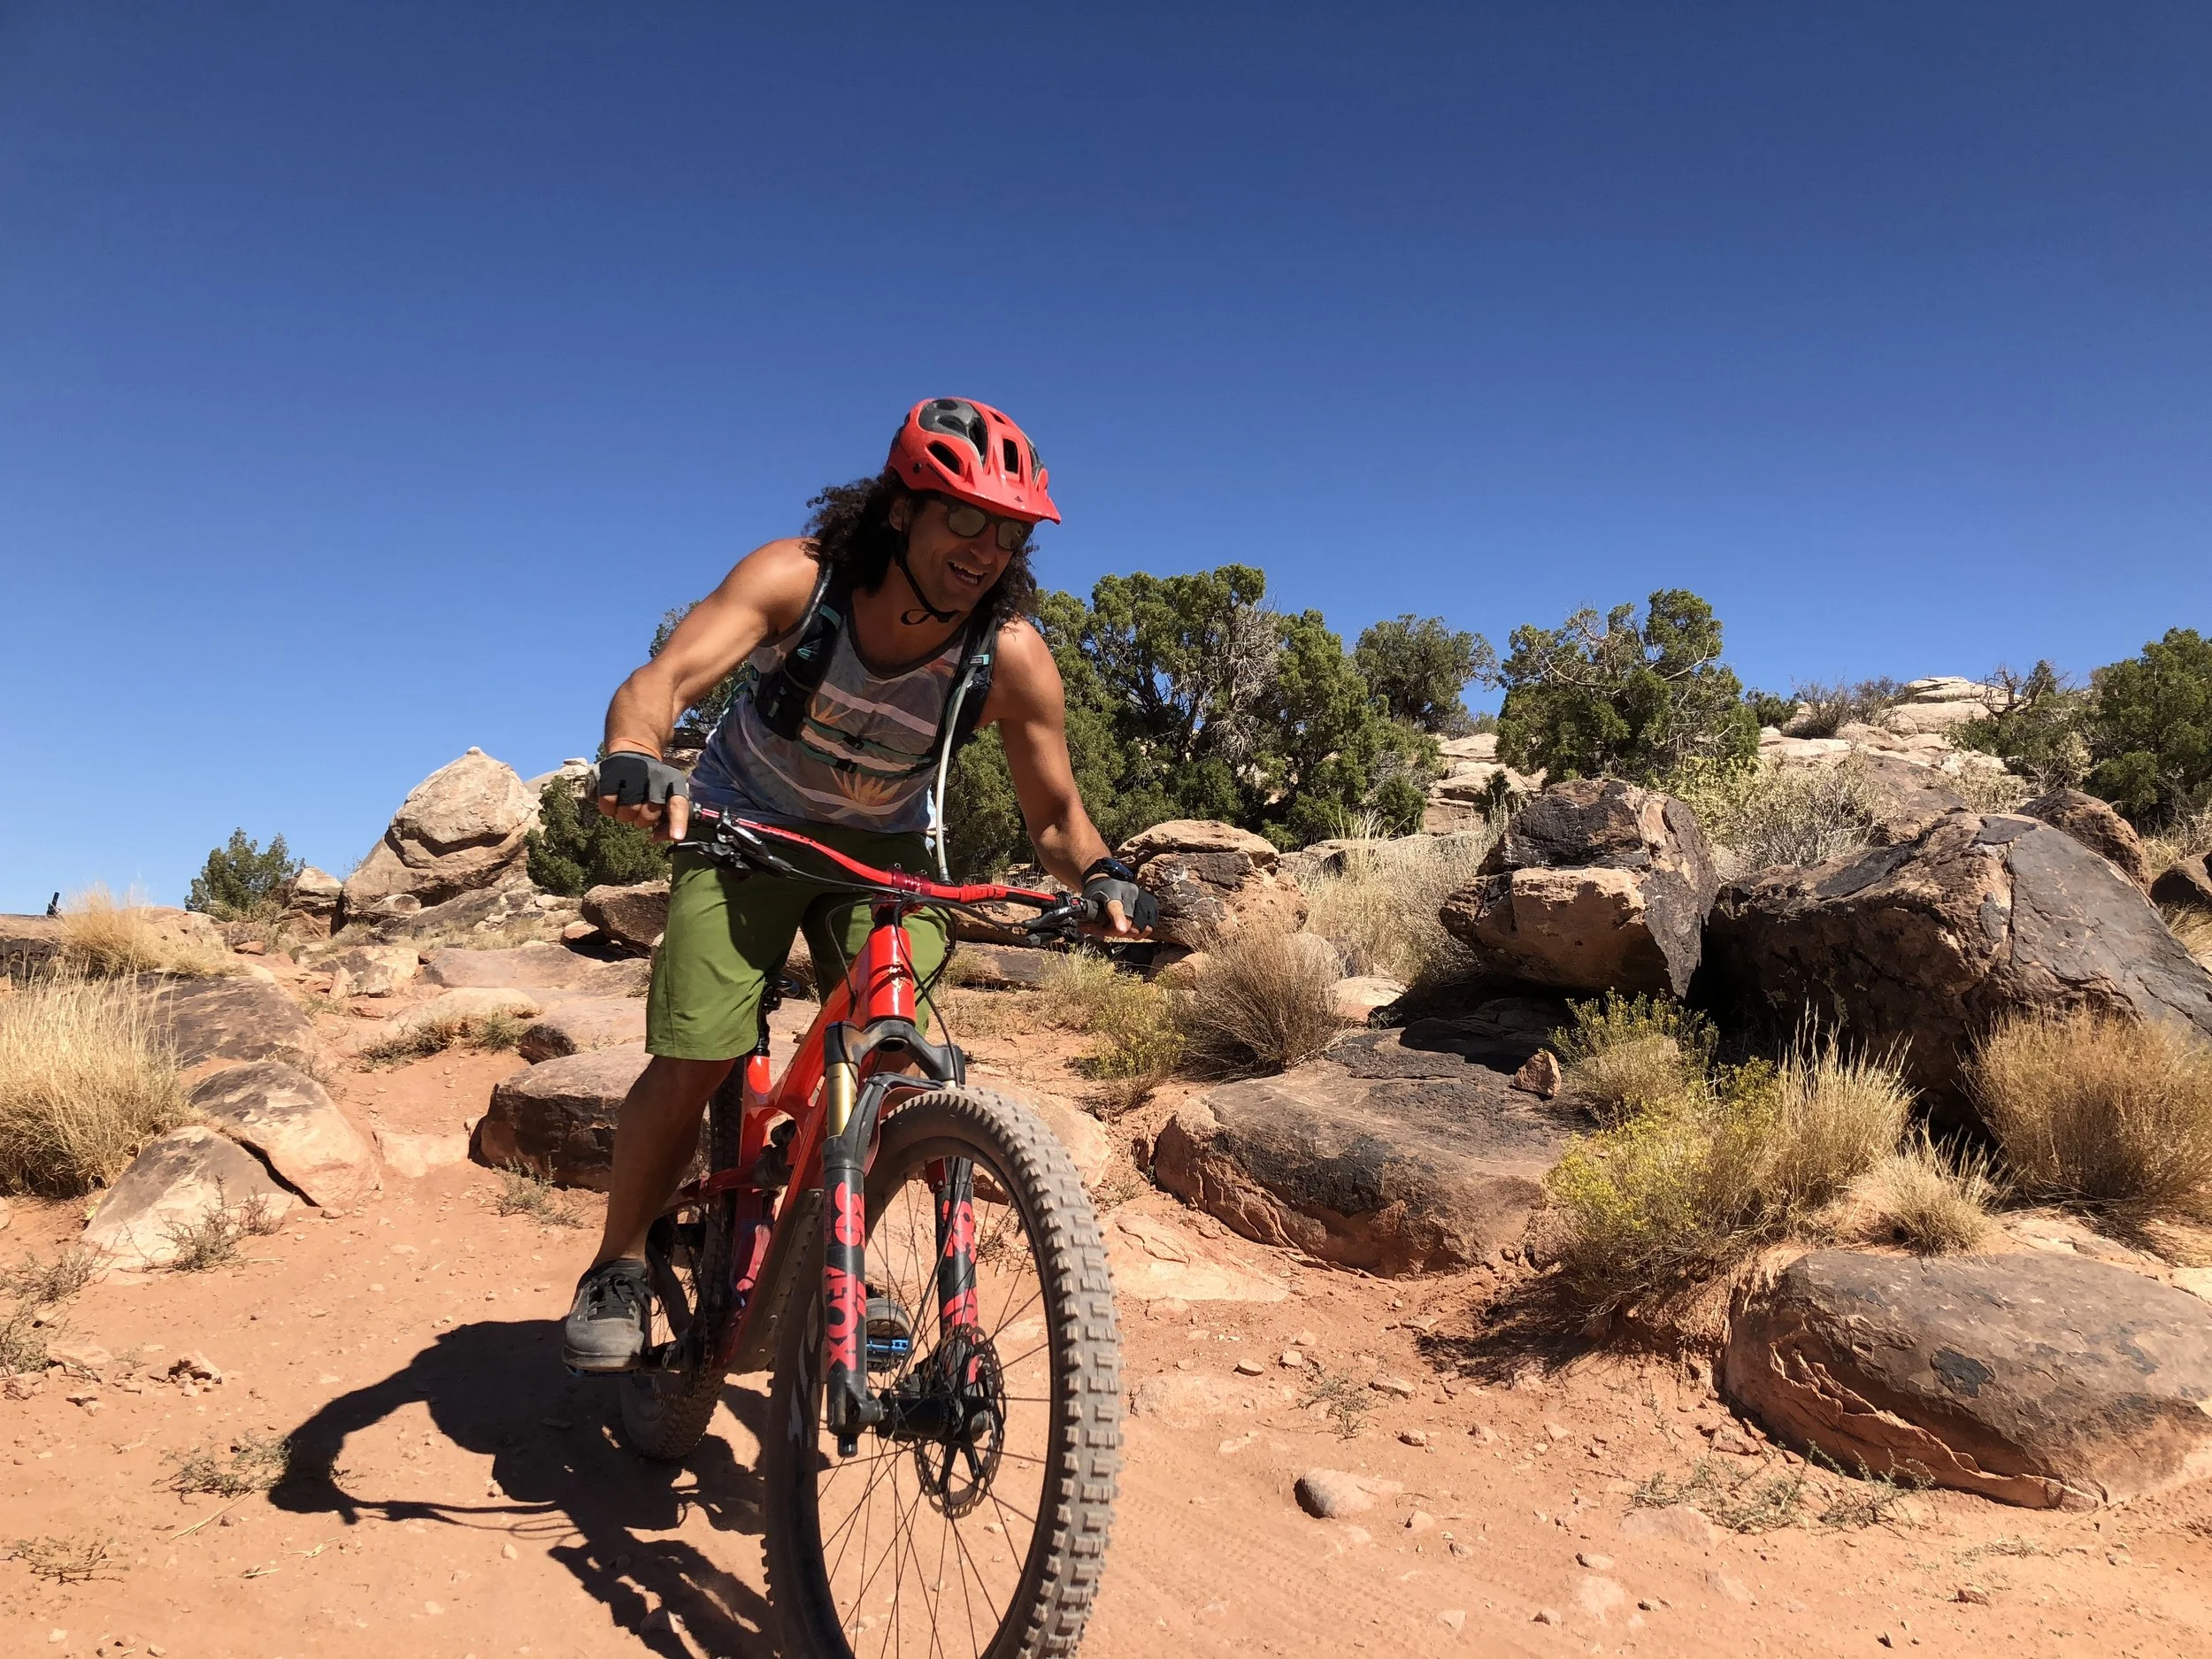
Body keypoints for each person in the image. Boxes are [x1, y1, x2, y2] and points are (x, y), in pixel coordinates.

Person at [562, 396, 1149, 1371]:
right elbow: (661, 680)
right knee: (699, 1052)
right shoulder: (798, 580)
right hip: (743, 825)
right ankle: (619, 1263)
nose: (986, 547)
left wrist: (1102, 872)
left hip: (882, 856)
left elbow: (1054, 818)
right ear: (898, 509)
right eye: (964, 516)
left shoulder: (1009, 655)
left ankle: (835, 1262)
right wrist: (635, 753)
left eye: (1008, 531)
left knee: (888, 1053)